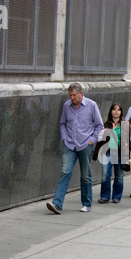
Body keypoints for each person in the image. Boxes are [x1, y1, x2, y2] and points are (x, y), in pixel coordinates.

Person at [46, 83, 104, 214]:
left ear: (81, 93)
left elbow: (99, 126)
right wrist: (64, 138)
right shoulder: (67, 105)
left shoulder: (91, 105)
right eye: (70, 95)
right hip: (70, 144)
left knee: (85, 175)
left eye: (74, 95)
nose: (72, 98)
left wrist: (92, 140)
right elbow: (62, 123)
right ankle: (57, 204)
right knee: (65, 171)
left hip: (85, 145)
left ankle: (87, 203)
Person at [92, 103, 131, 204]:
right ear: (111, 111)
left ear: (121, 112)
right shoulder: (106, 125)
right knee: (105, 174)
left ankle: (116, 196)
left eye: (118, 110)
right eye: (114, 109)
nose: (116, 111)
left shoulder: (125, 124)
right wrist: (95, 154)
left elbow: (130, 140)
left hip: (120, 153)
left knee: (119, 176)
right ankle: (105, 196)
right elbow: (100, 140)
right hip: (107, 152)